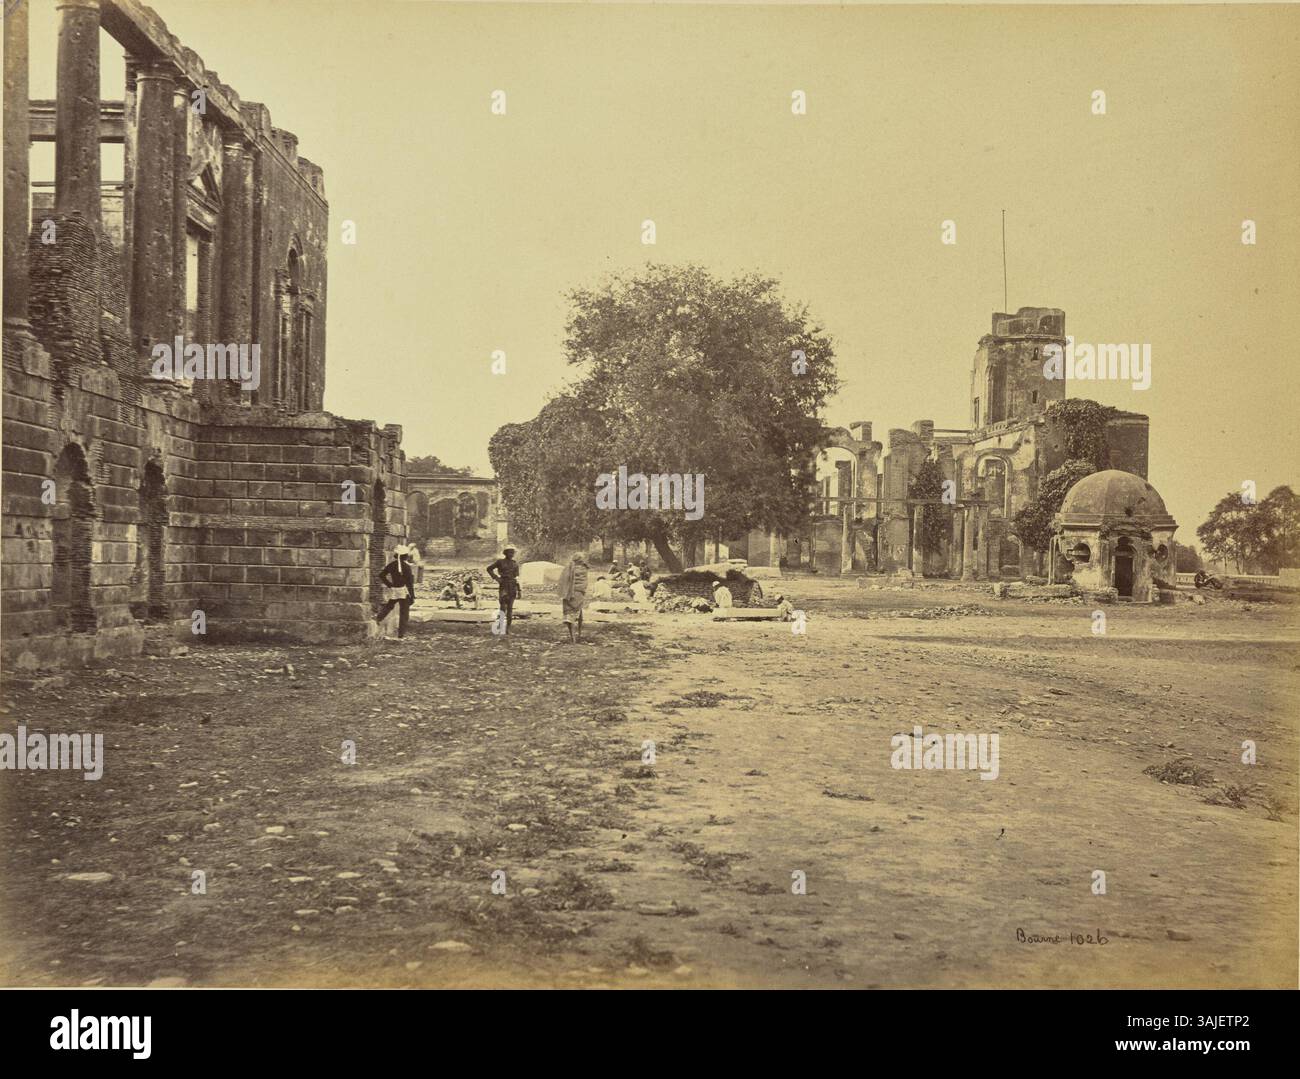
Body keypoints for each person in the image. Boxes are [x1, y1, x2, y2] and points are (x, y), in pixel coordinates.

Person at [376, 545, 417, 639]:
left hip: (395, 589)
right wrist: (412, 596)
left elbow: (381, 575)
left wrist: (389, 585)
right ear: (404, 556)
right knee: (404, 613)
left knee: (389, 605)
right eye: (406, 555)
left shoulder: (391, 565)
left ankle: (378, 618)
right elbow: (409, 583)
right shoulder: (406, 567)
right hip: (403, 591)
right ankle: (401, 635)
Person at [486, 547, 522, 634]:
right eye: (510, 552)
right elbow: (489, 569)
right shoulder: (500, 562)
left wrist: (519, 590)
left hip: (512, 586)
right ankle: (500, 627)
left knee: (510, 608)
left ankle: (507, 629)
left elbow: (517, 578)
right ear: (505, 553)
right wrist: (496, 578)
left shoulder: (515, 564)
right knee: (503, 607)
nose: (512, 554)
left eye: (513, 553)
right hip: (504, 585)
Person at [558, 551, 589, 643]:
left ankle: (573, 638)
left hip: (569, 594)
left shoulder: (569, 568)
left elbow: (563, 581)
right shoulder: (584, 569)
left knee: (570, 616)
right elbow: (584, 582)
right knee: (578, 614)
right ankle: (578, 634)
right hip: (579, 593)